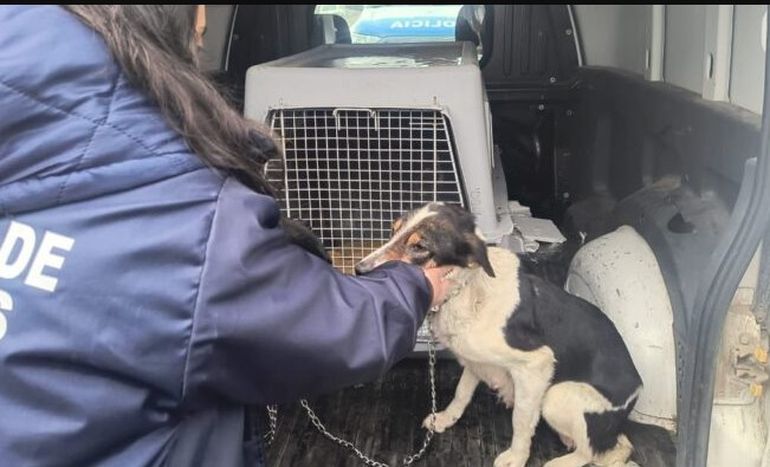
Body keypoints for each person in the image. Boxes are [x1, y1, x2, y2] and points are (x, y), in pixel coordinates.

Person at [0, 5, 454, 466]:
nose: (204, 26)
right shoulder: (190, 223)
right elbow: (332, 328)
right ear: (176, 20)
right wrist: (415, 284)